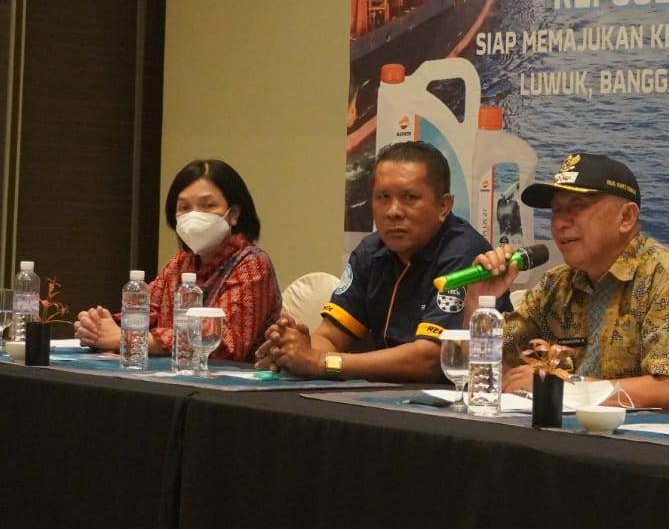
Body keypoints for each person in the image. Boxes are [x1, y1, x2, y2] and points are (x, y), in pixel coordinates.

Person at [465, 152, 669, 415]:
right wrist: (477, 302)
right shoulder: (556, 284)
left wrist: (566, 386)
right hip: (571, 435)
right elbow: (488, 365)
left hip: (668, 439)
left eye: (577, 207)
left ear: (626, 217)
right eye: (556, 211)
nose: (560, 223)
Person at [255, 141, 489, 382]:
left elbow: (431, 359)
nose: (393, 211)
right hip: (383, 394)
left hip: (451, 397)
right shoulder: (371, 250)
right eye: (383, 197)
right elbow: (331, 337)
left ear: (443, 206)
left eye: (409, 197)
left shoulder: (465, 253)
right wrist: (293, 349)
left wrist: (323, 362)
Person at [74, 158, 280, 362]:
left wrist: (126, 338)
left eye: (208, 205)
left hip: (230, 380)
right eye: (184, 207)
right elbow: (148, 312)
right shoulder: (180, 263)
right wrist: (99, 327)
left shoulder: (252, 264)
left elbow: (226, 343)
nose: (194, 216)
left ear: (233, 214)